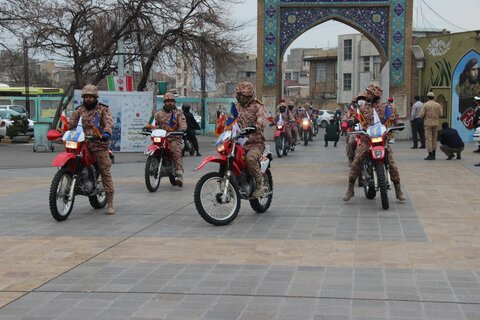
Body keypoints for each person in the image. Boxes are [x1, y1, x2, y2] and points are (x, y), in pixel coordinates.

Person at [343, 82, 406, 202]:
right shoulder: (363, 108)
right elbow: (355, 117)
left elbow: (394, 117)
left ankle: (398, 189)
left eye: (369, 93)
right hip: (367, 140)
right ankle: (350, 188)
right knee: (357, 160)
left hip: (382, 140)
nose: (367, 95)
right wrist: (350, 122)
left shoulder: (386, 107)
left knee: (392, 163)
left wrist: (399, 123)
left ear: (375, 94)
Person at [68, 84, 115, 215]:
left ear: (95, 97)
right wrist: (62, 131)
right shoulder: (79, 110)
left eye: (91, 97)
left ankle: (110, 202)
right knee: (70, 163)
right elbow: (71, 124)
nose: (88, 99)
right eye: (86, 97)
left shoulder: (103, 110)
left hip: (99, 144)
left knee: (104, 171)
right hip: (82, 143)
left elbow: (109, 123)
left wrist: (106, 133)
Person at [234, 81, 267, 198]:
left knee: (250, 159)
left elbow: (262, 120)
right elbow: (230, 120)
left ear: (249, 96)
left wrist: (255, 126)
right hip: (238, 143)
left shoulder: (258, 106)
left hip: (255, 143)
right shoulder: (235, 106)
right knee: (227, 157)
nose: (240, 98)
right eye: (238, 95)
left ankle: (260, 184)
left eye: (242, 96)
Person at [155, 92, 187, 187]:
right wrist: (148, 127)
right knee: (154, 148)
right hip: (161, 138)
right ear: (164, 102)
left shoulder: (178, 113)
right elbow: (153, 123)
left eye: (171, 101)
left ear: (174, 102)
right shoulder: (158, 113)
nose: (170, 103)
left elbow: (183, 124)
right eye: (167, 101)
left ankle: (179, 174)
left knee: (176, 151)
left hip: (174, 137)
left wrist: (182, 129)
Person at [419, 92, 443, 160]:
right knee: (434, 139)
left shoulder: (425, 104)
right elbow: (441, 114)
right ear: (433, 97)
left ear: (427, 97)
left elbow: (421, 115)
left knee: (428, 139)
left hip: (427, 124)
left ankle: (430, 154)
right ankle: (434, 154)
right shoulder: (437, 105)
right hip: (436, 123)